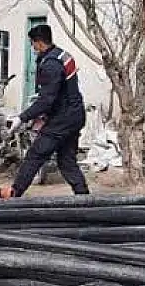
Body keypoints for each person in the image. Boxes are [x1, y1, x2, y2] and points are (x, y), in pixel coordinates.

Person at [6, 24, 89, 197]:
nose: (33, 48)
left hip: (63, 119)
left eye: (33, 43)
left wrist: (22, 118)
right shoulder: (61, 55)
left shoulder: (51, 64)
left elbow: (47, 100)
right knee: (66, 161)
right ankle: (84, 197)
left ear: (39, 43)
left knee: (35, 155)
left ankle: (14, 193)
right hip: (74, 115)